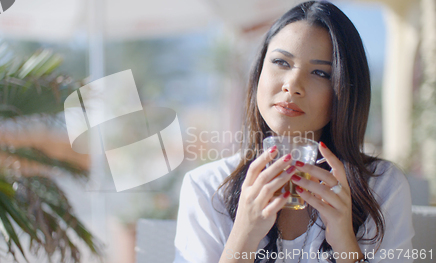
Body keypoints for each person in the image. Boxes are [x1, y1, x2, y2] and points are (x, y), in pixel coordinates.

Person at [173, 1, 414, 263]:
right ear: (258, 73)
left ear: (344, 90)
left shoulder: (381, 187)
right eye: (281, 62)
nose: (292, 85)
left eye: (320, 72)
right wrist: (243, 235)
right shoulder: (208, 187)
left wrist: (345, 244)